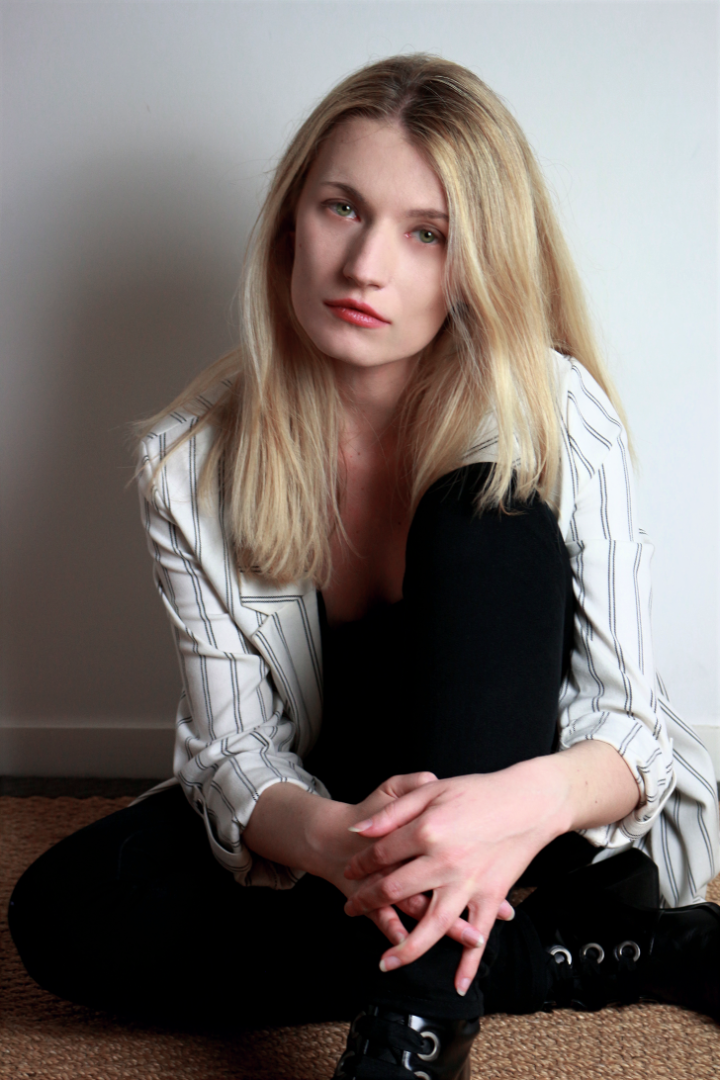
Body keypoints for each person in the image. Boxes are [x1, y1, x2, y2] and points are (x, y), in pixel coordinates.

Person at [8, 54, 720, 1080]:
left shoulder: (554, 414)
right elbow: (233, 751)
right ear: (292, 222)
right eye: (342, 208)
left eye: (427, 233)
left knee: (483, 516)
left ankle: (417, 1029)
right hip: (347, 807)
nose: (365, 266)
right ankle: (584, 953)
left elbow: (634, 737)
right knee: (65, 916)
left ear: (477, 263)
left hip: (541, 824)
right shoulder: (190, 459)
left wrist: (497, 811)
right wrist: (341, 843)